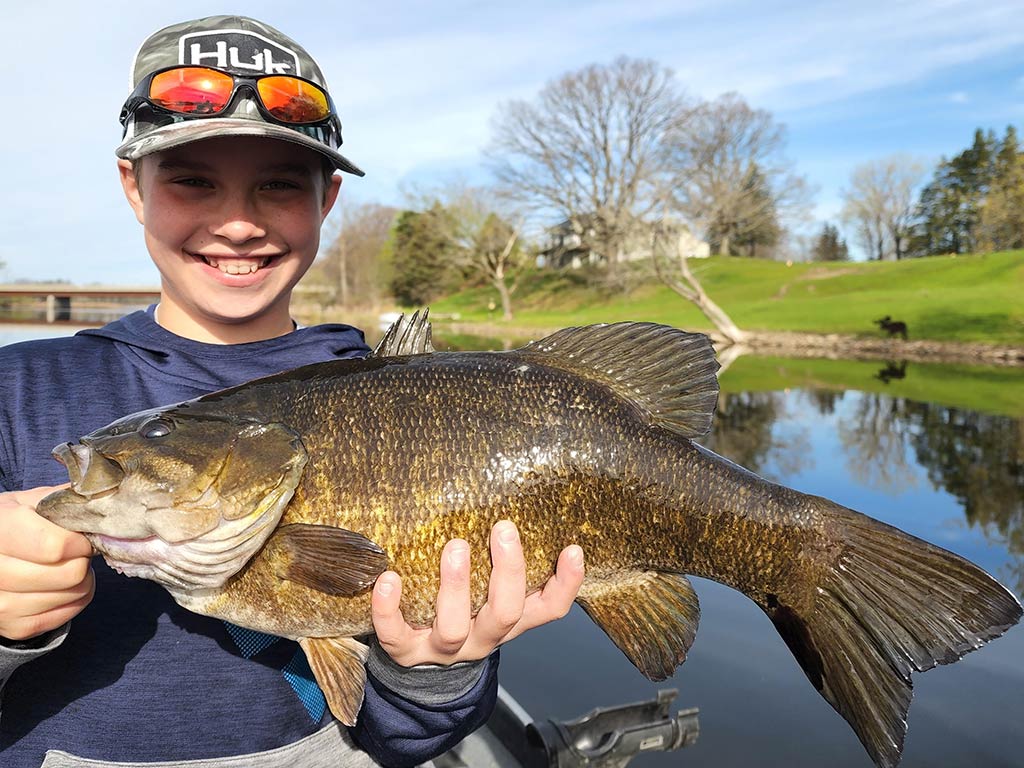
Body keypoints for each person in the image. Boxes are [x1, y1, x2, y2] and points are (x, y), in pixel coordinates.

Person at [0, 15, 585, 768]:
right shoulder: (16, 393)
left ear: (327, 200)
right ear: (132, 187)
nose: (238, 223)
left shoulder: (399, 397)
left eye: (278, 185)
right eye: (192, 181)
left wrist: (439, 672)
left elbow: (405, 738)